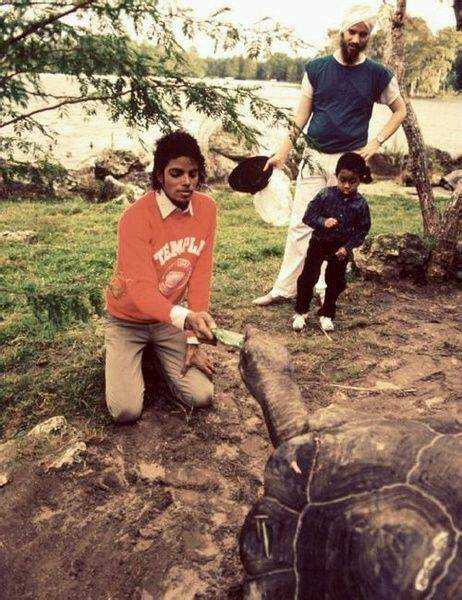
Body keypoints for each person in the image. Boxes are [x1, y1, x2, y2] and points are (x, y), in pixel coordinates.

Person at [253, 3, 406, 307]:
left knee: (335, 228)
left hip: (347, 164)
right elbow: (300, 117)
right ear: (342, 31)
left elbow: (399, 110)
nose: (356, 39)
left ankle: (323, 288)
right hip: (313, 155)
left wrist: (375, 143)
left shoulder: (377, 74)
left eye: (363, 34)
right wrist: (282, 152)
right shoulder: (316, 69)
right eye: (352, 31)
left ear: (368, 37)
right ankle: (285, 288)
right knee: (301, 222)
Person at [105, 131, 217, 423]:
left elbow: (200, 273)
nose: (186, 182)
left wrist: (192, 339)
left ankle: (157, 356)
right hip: (127, 320)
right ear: (159, 175)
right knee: (125, 412)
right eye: (176, 173)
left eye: (193, 174)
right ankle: (126, 353)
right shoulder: (135, 218)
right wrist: (186, 319)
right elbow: (141, 291)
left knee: (201, 396)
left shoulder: (207, 209)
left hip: (168, 322)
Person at [292, 152, 371, 333]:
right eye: (343, 180)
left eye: (353, 182)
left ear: (360, 180)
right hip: (319, 243)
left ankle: (327, 314)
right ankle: (301, 311)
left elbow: (362, 230)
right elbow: (308, 216)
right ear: (336, 175)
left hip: (340, 249)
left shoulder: (361, 204)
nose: (346, 185)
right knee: (308, 277)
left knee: (335, 282)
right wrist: (323, 222)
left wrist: (347, 247)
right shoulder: (325, 195)